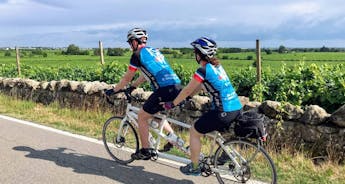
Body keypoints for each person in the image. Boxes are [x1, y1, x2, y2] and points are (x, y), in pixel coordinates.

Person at [163, 37, 243, 175]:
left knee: (194, 131)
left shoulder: (203, 70)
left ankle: (194, 167)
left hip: (223, 110)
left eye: (195, 52)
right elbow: (200, 87)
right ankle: (225, 154)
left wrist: (173, 103)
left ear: (200, 54)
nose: (195, 54)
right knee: (216, 131)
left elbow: (187, 89)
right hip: (236, 108)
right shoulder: (217, 67)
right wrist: (187, 98)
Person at [107, 27, 182, 160]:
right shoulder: (153, 51)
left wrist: (114, 90)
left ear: (135, 41)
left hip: (164, 89)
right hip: (177, 87)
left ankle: (146, 150)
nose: (130, 45)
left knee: (142, 116)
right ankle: (172, 139)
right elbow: (145, 74)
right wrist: (133, 87)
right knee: (156, 114)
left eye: (130, 42)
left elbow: (126, 78)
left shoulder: (136, 55)